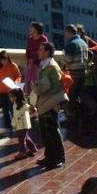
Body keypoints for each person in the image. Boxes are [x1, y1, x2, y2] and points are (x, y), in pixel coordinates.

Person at [34, 41, 67, 169]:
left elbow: (57, 87)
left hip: (51, 103)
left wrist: (41, 89)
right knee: (45, 131)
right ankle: (49, 156)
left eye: (41, 49)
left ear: (47, 52)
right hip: (43, 102)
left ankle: (59, 158)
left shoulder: (52, 67)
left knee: (53, 130)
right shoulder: (43, 65)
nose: (38, 51)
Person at [0, 50, 21, 132]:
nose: (4, 61)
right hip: (2, 92)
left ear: (8, 59)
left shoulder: (13, 65)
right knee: (5, 110)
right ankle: (8, 126)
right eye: (2, 60)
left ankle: (15, 123)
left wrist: (16, 82)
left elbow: (18, 75)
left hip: (11, 91)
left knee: (12, 108)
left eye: (5, 59)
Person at [63, 24, 89, 122]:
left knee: (71, 96)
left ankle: (71, 118)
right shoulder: (83, 42)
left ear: (69, 32)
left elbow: (68, 60)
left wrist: (62, 59)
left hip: (74, 73)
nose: (65, 34)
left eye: (66, 32)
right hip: (83, 72)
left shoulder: (71, 44)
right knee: (81, 94)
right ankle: (87, 112)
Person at [10, 87, 38, 159]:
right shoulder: (15, 104)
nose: (10, 98)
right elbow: (15, 115)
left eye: (11, 96)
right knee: (26, 137)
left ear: (16, 97)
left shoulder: (23, 105)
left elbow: (32, 110)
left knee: (21, 139)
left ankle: (22, 152)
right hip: (19, 125)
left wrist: (33, 108)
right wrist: (14, 123)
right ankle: (32, 148)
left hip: (24, 125)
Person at [24, 22, 48, 93]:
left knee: (37, 83)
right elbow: (28, 51)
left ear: (36, 30)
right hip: (31, 65)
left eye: (32, 28)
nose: (30, 29)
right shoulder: (30, 39)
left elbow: (45, 52)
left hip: (40, 65)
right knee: (29, 83)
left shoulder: (43, 39)